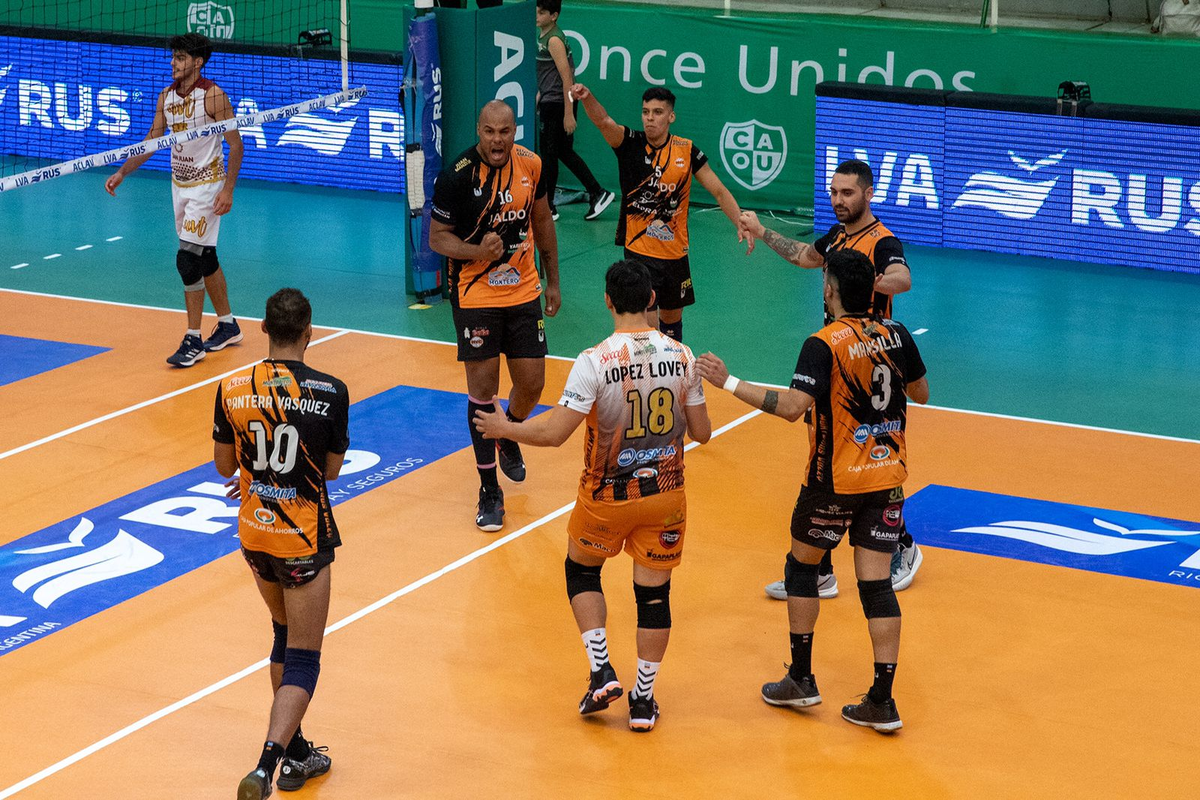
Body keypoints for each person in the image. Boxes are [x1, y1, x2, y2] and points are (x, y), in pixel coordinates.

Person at [474, 259, 711, 732]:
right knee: (654, 597)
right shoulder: (683, 356)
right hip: (666, 496)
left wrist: (506, 428)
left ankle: (601, 669)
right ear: (651, 300)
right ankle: (643, 701)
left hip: (607, 496)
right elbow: (702, 432)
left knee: (582, 571)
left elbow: (555, 434)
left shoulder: (594, 362)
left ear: (607, 302)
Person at [697, 249, 929, 733]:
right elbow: (920, 392)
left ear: (830, 290)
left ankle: (801, 679)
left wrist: (728, 381)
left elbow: (791, 407)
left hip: (833, 481)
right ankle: (882, 700)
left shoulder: (822, 343)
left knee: (802, 569)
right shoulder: (898, 333)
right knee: (876, 586)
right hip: (886, 479)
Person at [739, 159, 921, 600]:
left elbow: (903, 278)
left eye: (847, 193)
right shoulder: (837, 236)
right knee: (823, 461)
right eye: (834, 192)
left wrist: (868, 281)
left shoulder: (882, 241)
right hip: (834, 362)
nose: (838, 200)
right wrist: (762, 231)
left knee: (870, 462)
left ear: (868, 194)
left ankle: (903, 545)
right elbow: (806, 256)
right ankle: (819, 570)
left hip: (866, 364)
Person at [213, 288, 349, 798]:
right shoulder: (331, 391)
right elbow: (330, 471)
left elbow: (225, 466)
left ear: (265, 329)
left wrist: (260, 474)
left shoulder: (231, 387)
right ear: (309, 332)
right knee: (304, 656)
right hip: (302, 539)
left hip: (255, 535)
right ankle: (266, 765)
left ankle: (297, 752)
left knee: (282, 632)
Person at [429, 100, 561, 533]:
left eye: (505, 131)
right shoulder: (457, 176)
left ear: (515, 131)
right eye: (490, 131)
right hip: (476, 293)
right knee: (483, 390)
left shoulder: (532, 165)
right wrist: (477, 252)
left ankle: (508, 432)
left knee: (532, 383)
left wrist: (554, 280)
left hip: (523, 289)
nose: (497, 140)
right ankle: (489, 490)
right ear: (479, 131)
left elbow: (542, 221)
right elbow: (437, 239)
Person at [572, 82, 750, 344]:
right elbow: (603, 121)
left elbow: (719, 191)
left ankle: (673, 367)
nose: (650, 118)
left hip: (675, 254)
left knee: (672, 325)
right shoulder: (628, 143)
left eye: (657, 112)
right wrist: (587, 98)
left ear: (671, 116)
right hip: (640, 252)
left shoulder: (686, 151)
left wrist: (739, 222)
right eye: (646, 112)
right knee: (648, 330)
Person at [105, 32, 244, 367]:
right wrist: (123, 172)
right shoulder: (166, 97)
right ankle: (228, 325)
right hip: (179, 187)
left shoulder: (213, 96)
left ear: (198, 62)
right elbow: (152, 140)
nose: (173, 63)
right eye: (173, 57)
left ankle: (193, 339)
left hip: (207, 187)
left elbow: (236, 145)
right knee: (205, 257)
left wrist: (227, 189)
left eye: (180, 58)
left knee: (187, 259)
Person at [535, 0, 614, 221]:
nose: (537, 16)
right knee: (562, 152)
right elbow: (549, 74)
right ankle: (597, 192)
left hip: (558, 104)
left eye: (542, 13)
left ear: (554, 16)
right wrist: (540, 95)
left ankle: (549, 207)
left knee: (549, 155)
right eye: (536, 11)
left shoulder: (554, 40)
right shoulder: (544, 36)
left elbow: (567, 78)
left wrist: (568, 113)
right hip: (551, 101)